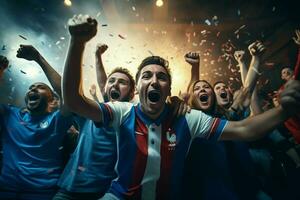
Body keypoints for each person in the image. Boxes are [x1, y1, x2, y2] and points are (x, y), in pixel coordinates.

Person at [63, 15, 300, 200]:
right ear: (138, 89)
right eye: (146, 76)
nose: (154, 81)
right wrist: (77, 43)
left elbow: (245, 130)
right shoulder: (123, 112)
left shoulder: (188, 118)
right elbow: (74, 101)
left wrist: (283, 111)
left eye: (161, 77)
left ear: (169, 91)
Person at [53, 43, 136, 200]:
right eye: (112, 81)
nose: (115, 84)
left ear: (132, 92)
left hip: (103, 193)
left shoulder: (131, 117)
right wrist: (97, 55)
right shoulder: (90, 113)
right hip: (67, 191)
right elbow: (65, 92)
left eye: (122, 82)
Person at [0, 47, 75, 200]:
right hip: (6, 190)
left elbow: (69, 94)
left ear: (52, 99)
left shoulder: (57, 120)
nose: (33, 88)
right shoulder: (10, 115)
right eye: (31, 87)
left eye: (40, 87)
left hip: (41, 193)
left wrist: (38, 58)